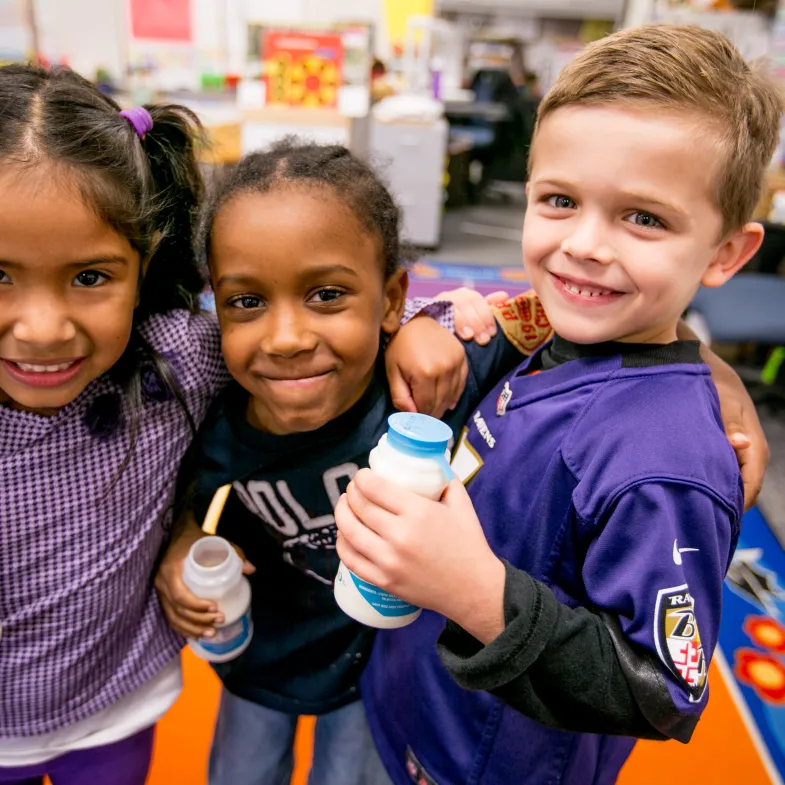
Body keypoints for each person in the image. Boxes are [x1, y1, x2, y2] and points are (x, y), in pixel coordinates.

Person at [335, 24, 781, 785]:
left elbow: (663, 693)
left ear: (724, 255)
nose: (584, 244)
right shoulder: (555, 327)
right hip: (414, 705)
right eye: (559, 200)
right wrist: (427, 329)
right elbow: (482, 335)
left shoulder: (665, 464)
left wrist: (475, 591)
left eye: (643, 217)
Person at [0, 66, 466, 785]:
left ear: (141, 263)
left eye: (89, 276)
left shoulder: (175, 361)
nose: (41, 328)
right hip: (241, 668)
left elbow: (527, 318)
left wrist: (426, 327)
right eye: (1, 275)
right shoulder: (202, 361)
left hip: (130, 706)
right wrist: (179, 531)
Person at [153, 140, 554, 785]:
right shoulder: (213, 416)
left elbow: (577, 313)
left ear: (391, 298)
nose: (286, 339)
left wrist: (709, 374)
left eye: (328, 295)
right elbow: (174, 498)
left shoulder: (427, 382)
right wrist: (181, 544)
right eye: (246, 302)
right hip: (267, 652)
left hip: (382, 660)